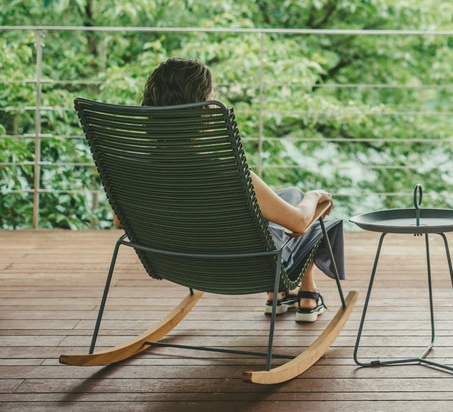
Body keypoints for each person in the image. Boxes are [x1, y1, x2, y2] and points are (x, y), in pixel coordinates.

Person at [141, 57, 345, 322]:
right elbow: (298, 222)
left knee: (290, 195)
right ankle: (306, 295)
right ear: (203, 109)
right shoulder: (227, 173)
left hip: (176, 263)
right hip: (245, 267)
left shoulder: (142, 171)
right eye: (212, 96)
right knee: (312, 218)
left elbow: (120, 220)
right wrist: (315, 196)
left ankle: (282, 295)